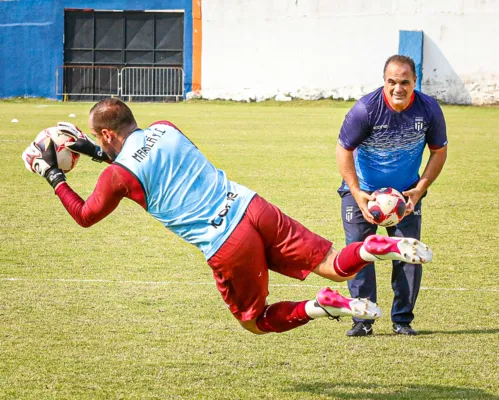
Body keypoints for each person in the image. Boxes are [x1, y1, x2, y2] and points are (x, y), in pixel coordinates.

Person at [22, 97, 433, 336]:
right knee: (334, 266)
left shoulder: (117, 175)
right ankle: (379, 245)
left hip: (226, 242)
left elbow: (86, 215)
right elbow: (136, 156)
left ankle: (320, 307)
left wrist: (53, 175)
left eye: (98, 138)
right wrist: (96, 152)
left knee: (254, 322)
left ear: (107, 135)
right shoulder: (166, 127)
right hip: (253, 206)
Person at [335, 55, 448, 336]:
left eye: (405, 82)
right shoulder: (366, 109)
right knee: (359, 253)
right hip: (362, 192)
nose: (398, 88)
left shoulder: (429, 109)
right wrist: (357, 192)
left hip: (406, 195)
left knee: (409, 253)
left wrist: (420, 189)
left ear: (414, 82)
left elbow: (439, 151)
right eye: (392, 82)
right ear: (384, 81)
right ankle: (362, 319)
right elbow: (343, 150)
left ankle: (402, 320)